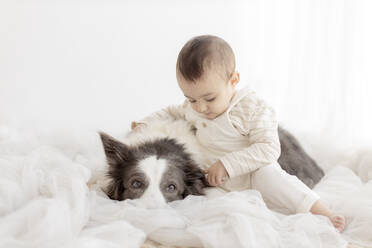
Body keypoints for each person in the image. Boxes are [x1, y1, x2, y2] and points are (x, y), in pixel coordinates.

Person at [132, 35, 345, 232]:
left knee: (272, 176)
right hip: (219, 183)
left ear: (233, 81)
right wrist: (144, 123)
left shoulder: (252, 108)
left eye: (209, 99)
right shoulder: (193, 108)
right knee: (203, 210)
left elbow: (269, 148)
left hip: (253, 175)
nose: (201, 108)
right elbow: (170, 112)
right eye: (192, 99)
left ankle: (321, 211)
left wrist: (227, 165)